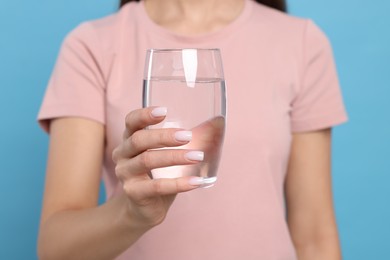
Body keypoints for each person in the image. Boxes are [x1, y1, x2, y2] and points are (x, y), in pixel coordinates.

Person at [37, 0, 348, 259]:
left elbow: (315, 238)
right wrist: (131, 214)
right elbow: (56, 248)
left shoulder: (301, 41)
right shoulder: (92, 44)